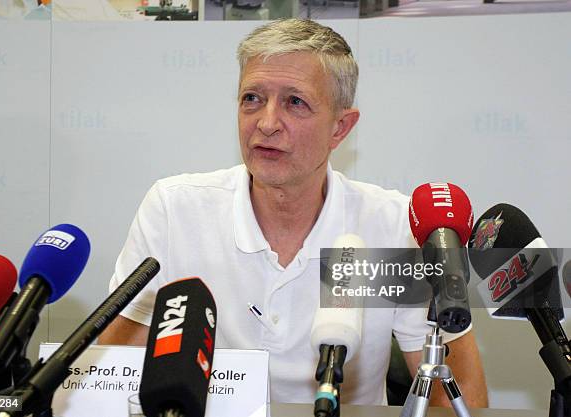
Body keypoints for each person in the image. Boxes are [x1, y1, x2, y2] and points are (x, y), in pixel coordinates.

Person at [99, 18, 488, 407]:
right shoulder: (175, 211)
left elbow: (457, 394)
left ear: (340, 127)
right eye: (252, 98)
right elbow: (113, 375)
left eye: (295, 102)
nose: (266, 124)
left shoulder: (394, 228)